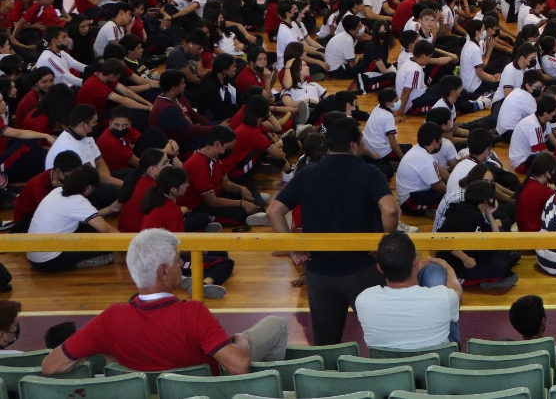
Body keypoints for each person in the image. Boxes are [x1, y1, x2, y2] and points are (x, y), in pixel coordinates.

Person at [41, 228, 288, 375]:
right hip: (206, 391)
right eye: (177, 260)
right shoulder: (193, 313)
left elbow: (50, 366)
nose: (181, 264)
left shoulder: (109, 320)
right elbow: (238, 366)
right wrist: (242, 342)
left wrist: (98, 353)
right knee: (277, 324)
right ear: (163, 271)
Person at [266, 116, 399, 345]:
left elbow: (274, 212)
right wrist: (382, 243)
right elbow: (390, 210)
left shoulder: (307, 173)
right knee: (382, 338)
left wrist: (293, 248)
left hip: (320, 273)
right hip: (362, 269)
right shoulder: (369, 173)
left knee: (326, 344)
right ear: (354, 145)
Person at [353, 232, 461, 352]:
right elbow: (457, 292)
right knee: (435, 270)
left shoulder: (363, 300)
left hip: (386, 363)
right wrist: (447, 267)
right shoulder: (444, 298)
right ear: (415, 261)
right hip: (435, 362)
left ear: (379, 268)